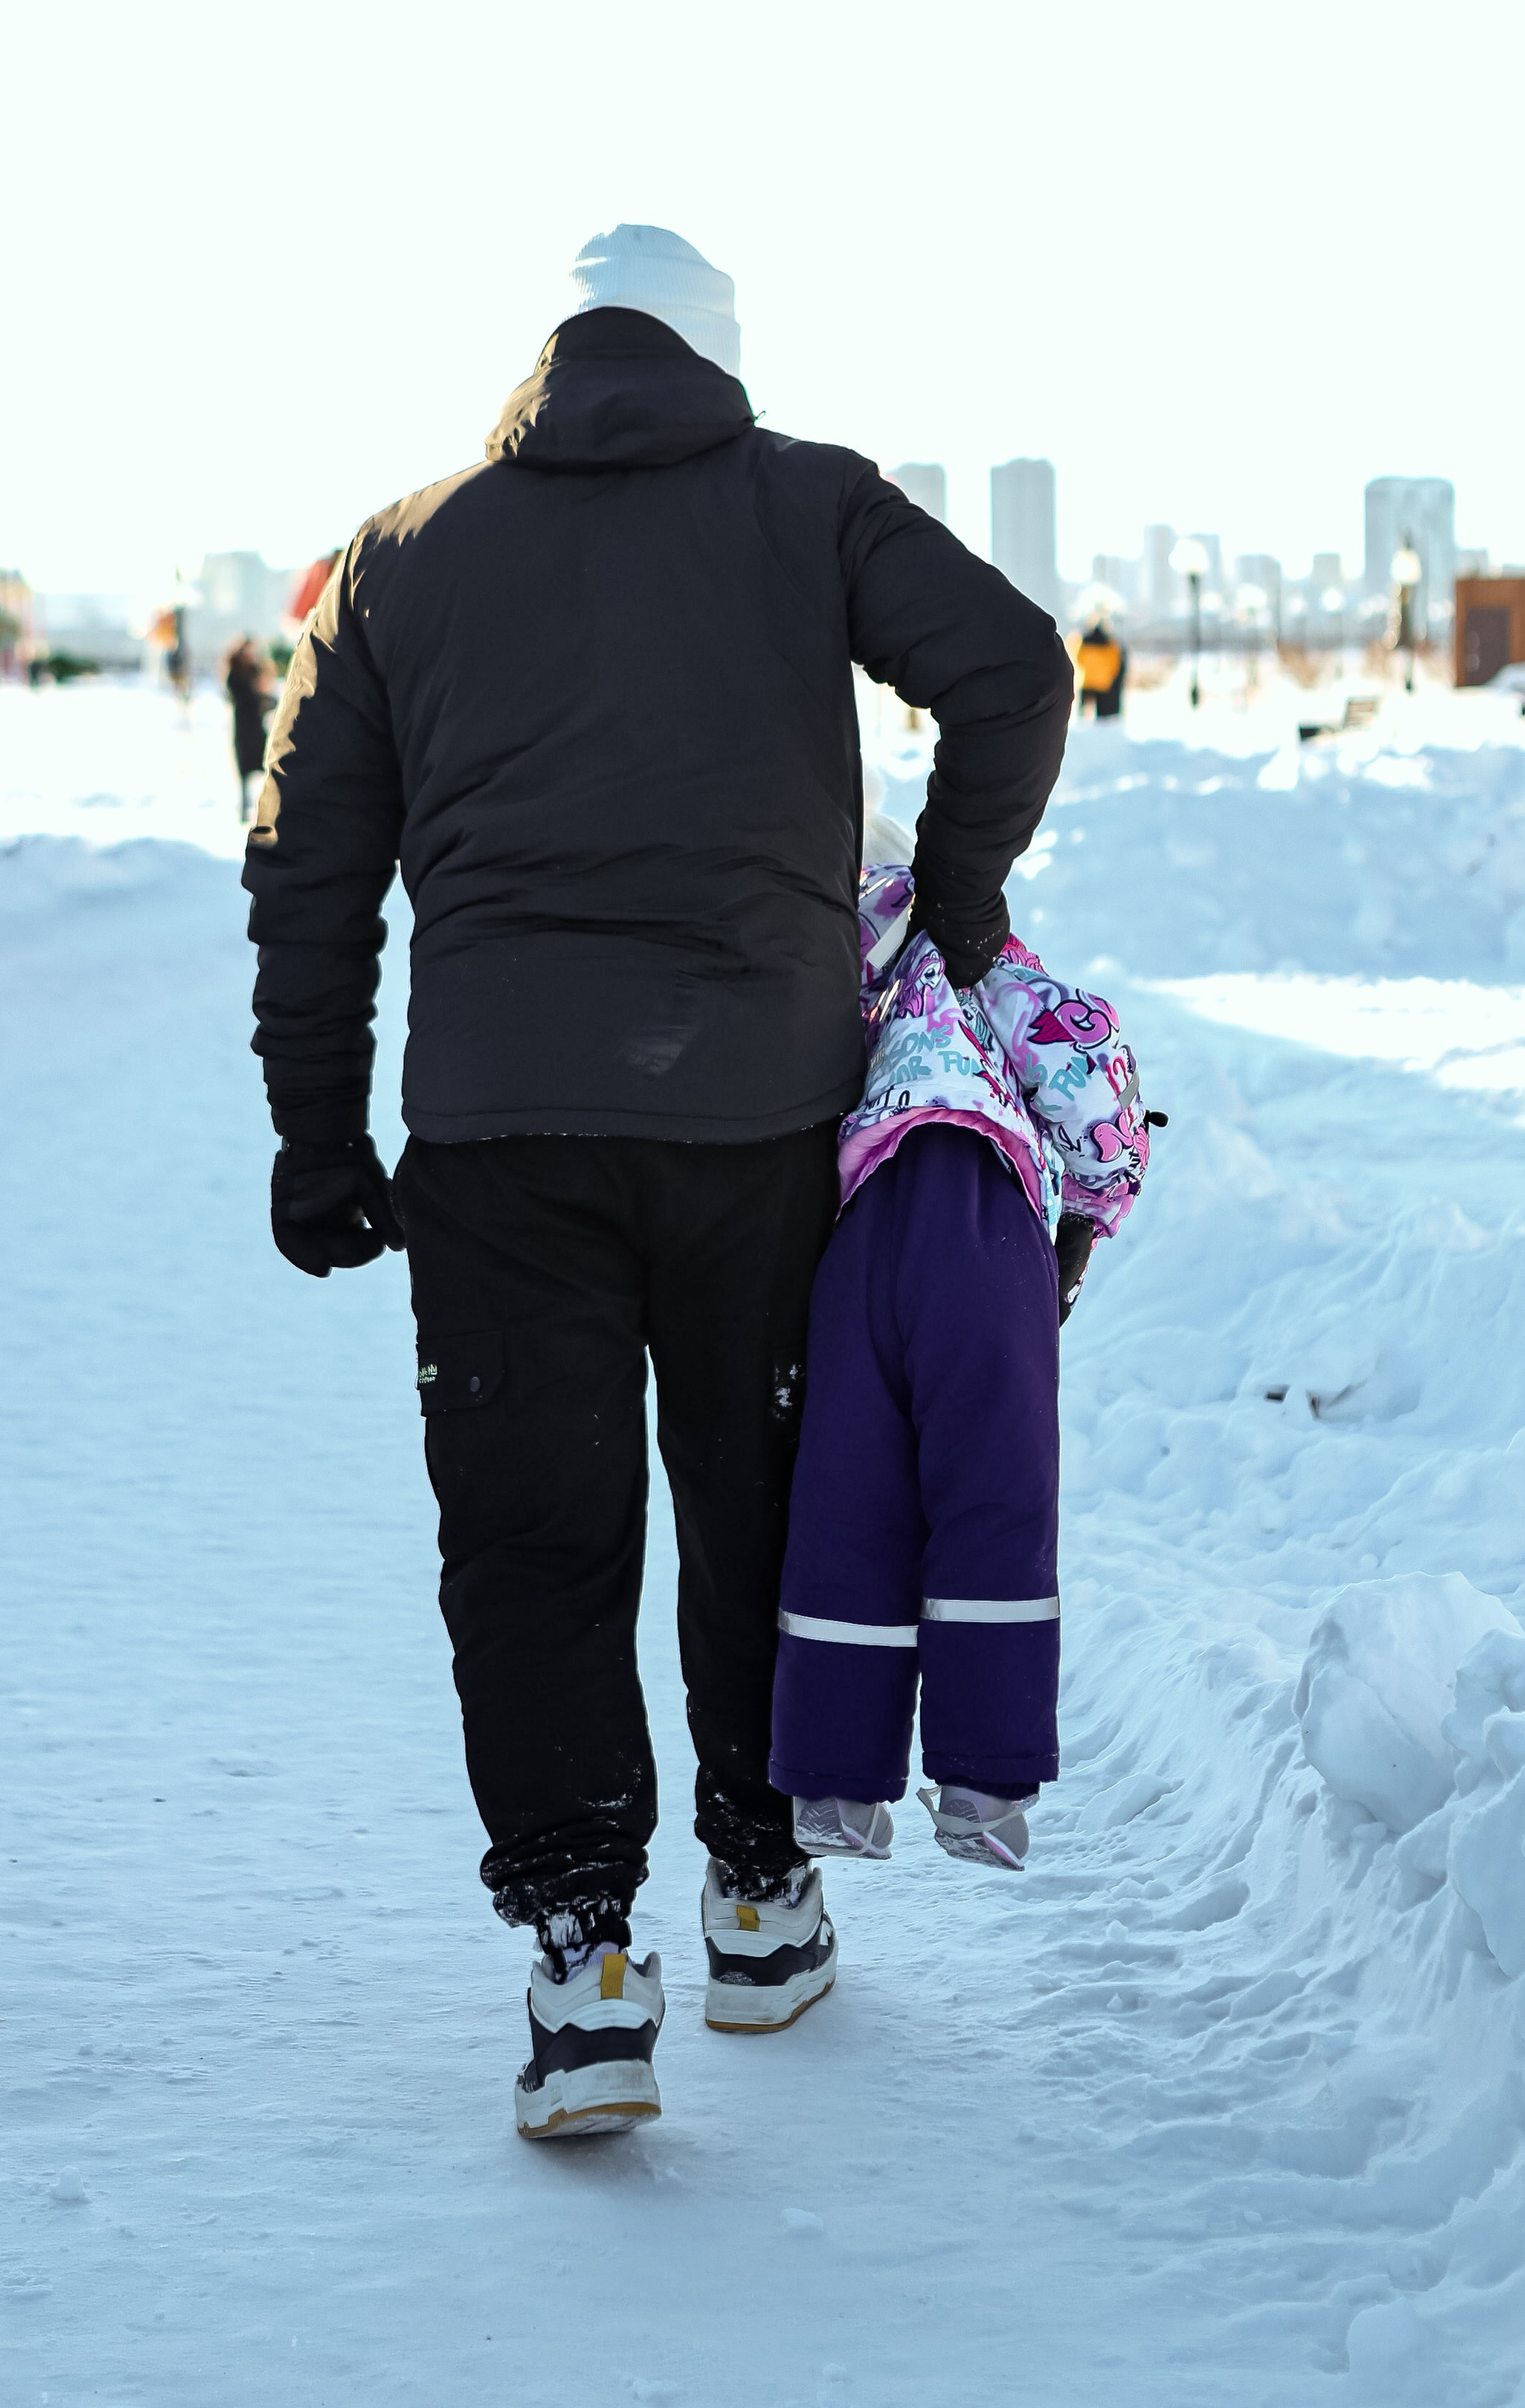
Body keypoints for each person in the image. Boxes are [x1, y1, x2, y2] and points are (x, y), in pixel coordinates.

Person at [241, 224, 1071, 2140]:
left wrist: (312, 1125)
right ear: (717, 357)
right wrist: (950, 908)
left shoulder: (403, 550)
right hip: (760, 1119)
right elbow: (1013, 672)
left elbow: (306, 859)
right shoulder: (810, 502)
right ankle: (759, 1897)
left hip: (495, 1135)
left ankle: (582, 1960)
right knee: (758, 1497)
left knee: (531, 1537)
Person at [770, 863, 1150, 1869]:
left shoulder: (833, 959)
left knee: (850, 1503)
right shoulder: (986, 957)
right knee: (994, 1492)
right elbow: (1087, 1054)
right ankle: (983, 1782)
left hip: (859, 1238)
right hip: (985, 1227)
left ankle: (834, 1786)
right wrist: (1098, 1203)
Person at [223, 637, 272, 822]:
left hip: (258, 729)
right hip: (243, 728)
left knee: (266, 768)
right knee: (244, 773)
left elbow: (267, 700)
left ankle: (268, 810)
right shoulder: (235, 674)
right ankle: (244, 812)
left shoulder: (256, 671)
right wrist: (257, 694)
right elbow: (240, 698)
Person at [1074, 615, 1128, 718]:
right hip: (1103, 682)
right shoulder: (1111, 644)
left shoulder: (1084, 641)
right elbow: (1116, 663)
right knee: (1102, 716)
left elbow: (1078, 657)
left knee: (1083, 712)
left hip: (1087, 681)